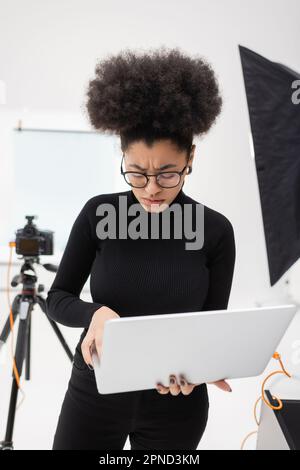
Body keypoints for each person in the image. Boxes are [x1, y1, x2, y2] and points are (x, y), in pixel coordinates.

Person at [46, 47, 236, 450]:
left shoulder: (215, 231)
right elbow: (58, 298)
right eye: (137, 172)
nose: (151, 188)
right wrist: (95, 313)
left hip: (175, 402)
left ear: (190, 159)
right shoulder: (99, 214)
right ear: (123, 157)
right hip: (94, 391)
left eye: (167, 173)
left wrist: (199, 368)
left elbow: (210, 325)